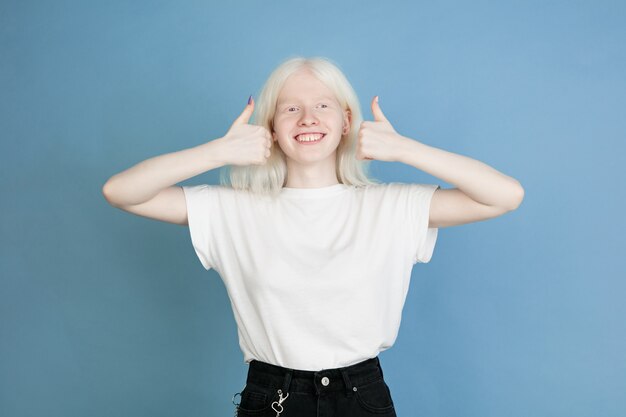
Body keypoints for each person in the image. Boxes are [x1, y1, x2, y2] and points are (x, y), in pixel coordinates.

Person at [102, 56, 524, 416]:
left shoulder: (391, 206)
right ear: (269, 127)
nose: (307, 118)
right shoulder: (231, 208)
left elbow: (505, 196)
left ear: (345, 122)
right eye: (290, 109)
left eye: (322, 105)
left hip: (363, 396)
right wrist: (217, 152)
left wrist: (406, 150)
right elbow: (120, 192)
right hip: (273, 397)